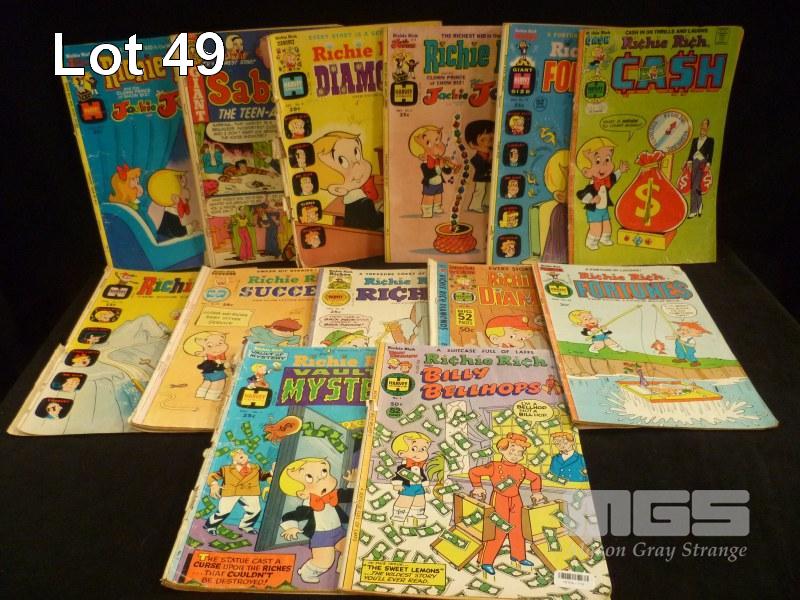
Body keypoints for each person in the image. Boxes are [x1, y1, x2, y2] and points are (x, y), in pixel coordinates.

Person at [469, 433, 546, 574]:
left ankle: (518, 556)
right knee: (498, 530)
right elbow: (473, 472)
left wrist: (536, 492)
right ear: (502, 450)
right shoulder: (494, 466)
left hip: (516, 500)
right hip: (499, 499)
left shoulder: (521, 468)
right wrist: (477, 487)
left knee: (517, 529)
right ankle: (486, 561)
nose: (515, 455)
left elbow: (536, 478)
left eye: (519, 452)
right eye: (512, 451)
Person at [279, 458, 356, 583]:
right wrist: (291, 527)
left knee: (350, 548)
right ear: (302, 493)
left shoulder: (332, 495)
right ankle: (306, 572)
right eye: (310, 478)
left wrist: (352, 482)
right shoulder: (308, 505)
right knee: (325, 562)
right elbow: (290, 516)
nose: (324, 479)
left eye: (324, 472)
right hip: (321, 536)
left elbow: (350, 495)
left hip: (338, 531)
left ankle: (342, 569)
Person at [313, 131, 383, 230]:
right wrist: (382, 211)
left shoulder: (350, 202)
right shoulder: (365, 203)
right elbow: (375, 223)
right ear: (337, 189)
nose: (357, 164)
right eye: (342, 161)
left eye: (357, 153)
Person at [575, 137, 629, 250]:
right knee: (596, 228)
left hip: (604, 209)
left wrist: (620, 170)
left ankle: (605, 238)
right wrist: (591, 200)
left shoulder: (607, 180)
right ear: (586, 172)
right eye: (598, 161)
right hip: (594, 211)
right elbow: (580, 194)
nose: (604, 165)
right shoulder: (591, 186)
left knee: (607, 226)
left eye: (607, 160)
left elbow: (614, 178)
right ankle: (591, 242)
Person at [205, 448, 271, 535]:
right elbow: (212, 476)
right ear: (234, 460)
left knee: (255, 510)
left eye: (243, 454)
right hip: (231, 492)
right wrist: (214, 484)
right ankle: (210, 526)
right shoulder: (226, 469)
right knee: (223, 511)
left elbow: (262, 477)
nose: (242, 456)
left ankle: (246, 526)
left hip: (249, 492)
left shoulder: (256, 467)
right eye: (238, 455)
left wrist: (270, 473)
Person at [409, 125, 459, 218]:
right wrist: (439, 166)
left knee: (438, 195)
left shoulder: (439, 160)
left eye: (437, 140)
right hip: (430, 183)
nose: (437, 145)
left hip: (439, 183)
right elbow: (428, 174)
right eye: (429, 143)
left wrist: (447, 165)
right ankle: (427, 211)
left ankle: (436, 207)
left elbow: (447, 172)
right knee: (428, 196)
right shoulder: (424, 164)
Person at [389, 432, 432, 524]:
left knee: (420, 499)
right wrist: (397, 485)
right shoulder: (403, 467)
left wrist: (425, 485)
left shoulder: (420, 467)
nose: (420, 453)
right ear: (401, 453)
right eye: (414, 449)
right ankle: (399, 515)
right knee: (404, 500)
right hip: (407, 486)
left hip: (419, 486)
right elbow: (398, 476)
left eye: (423, 449)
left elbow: (423, 476)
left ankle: (417, 512)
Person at [684, 118, 714, 218]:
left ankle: (694, 209)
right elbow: (691, 152)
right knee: (694, 186)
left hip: (702, 162)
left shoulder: (710, 140)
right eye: (702, 124)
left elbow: (711, 153)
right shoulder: (695, 140)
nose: (703, 126)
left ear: (708, 127)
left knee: (695, 186)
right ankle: (698, 205)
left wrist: (708, 165)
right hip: (694, 162)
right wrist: (689, 162)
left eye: (705, 124)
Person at [465, 120, 495, 213]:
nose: (488, 143)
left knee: (489, 189)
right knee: (480, 191)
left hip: (489, 176)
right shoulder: (477, 157)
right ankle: (474, 206)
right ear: (472, 144)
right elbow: (477, 164)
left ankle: (486, 203)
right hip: (480, 177)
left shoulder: (491, 154)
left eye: (491, 138)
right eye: (483, 140)